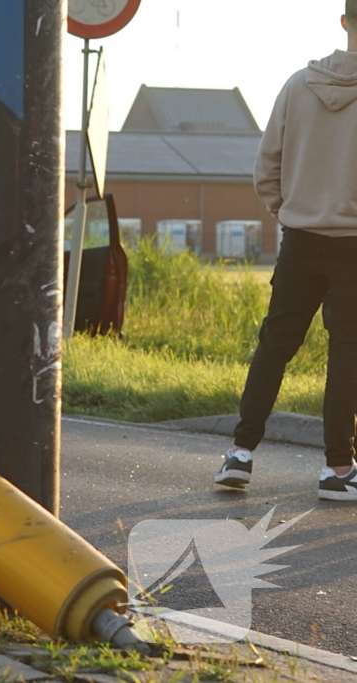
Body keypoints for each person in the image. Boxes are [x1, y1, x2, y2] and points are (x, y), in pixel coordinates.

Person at [215, 2, 357, 500]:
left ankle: (240, 455)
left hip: (300, 240)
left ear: (344, 21)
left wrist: (290, 212)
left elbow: (266, 166)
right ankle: (338, 470)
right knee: (348, 355)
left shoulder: (299, 85)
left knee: (274, 345)